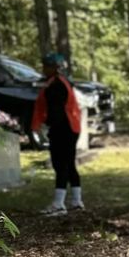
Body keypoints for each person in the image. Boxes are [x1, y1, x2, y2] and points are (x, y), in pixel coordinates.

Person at [31, 52, 84, 214]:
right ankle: (76, 201)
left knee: (60, 164)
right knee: (69, 164)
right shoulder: (61, 82)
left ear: (55, 68)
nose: (44, 69)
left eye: (47, 66)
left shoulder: (56, 86)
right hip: (71, 127)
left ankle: (59, 204)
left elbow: (57, 111)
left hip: (63, 128)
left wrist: (48, 126)